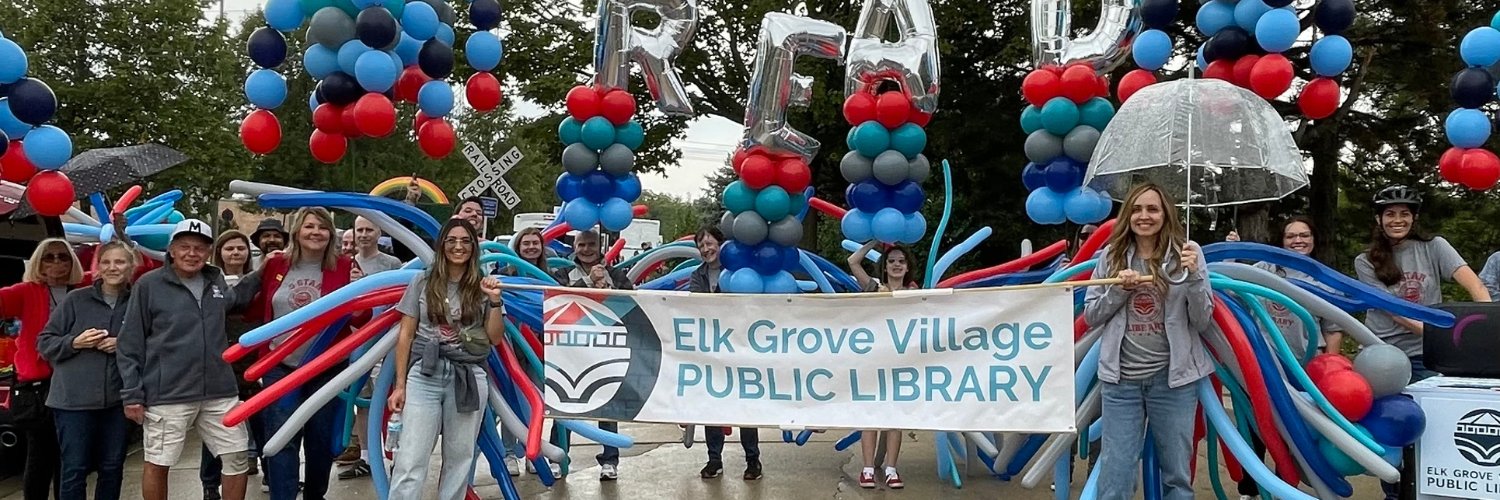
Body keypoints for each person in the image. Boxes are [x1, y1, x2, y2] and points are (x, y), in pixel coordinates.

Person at [1354, 186, 1493, 500]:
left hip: (1426, 356)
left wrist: (1486, 323)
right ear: (1379, 219)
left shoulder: (1435, 247)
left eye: (1404, 213)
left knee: (1433, 429)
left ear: (1414, 217)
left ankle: (1430, 493)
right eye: (1390, 214)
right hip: (1382, 355)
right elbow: (1394, 310)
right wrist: (1444, 338)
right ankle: (1394, 494)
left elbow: (1473, 283)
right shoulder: (1365, 261)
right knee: (1388, 430)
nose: (1397, 219)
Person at [1084, 183, 1212, 500]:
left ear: (1165, 213)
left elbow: (1202, 319)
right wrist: (1119, 289)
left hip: (1174, 382)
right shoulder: (1111, 256)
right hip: (1120, 382)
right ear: (1128, 215)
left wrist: (1194, 276)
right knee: (1116, 475)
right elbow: (1091, 316)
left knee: (1177, 477)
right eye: (1137, 209)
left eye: (1152, 209)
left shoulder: (1188, 254)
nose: (1144, 216)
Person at [118, 219, 255, 500]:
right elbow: (129, 341)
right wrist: (132, 394)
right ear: (171, 250)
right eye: (184, 247)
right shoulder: (149, 285)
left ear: (208, 252)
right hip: (168, 391)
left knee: (237, 457)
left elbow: (235, 299)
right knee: (159, 461)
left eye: (199, 248)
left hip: (219, 389)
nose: (192, 253)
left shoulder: (215, 280)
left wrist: (268, 268)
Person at [237, 207, 363, 500]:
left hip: (326, 366)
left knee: (319, 441)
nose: (315, 233)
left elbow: (358, 317)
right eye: (309, 226)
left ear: (331, 234)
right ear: (296, 231)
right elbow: (256, 309)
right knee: (282, 438)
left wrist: (359, 296)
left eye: (322, 227)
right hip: (280, 364)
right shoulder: (276, 264)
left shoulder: (344, 266)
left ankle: (315, 495)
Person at [386, 218, 507, 500]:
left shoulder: (483, 284)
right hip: (425, 375)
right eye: (452, 240)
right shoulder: (422, 281)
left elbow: (495, 337)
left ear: (474, 247)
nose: (458, 246)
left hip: (469, 375)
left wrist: (495, 301)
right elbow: (405, 335)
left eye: (465, 241)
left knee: (460, 459)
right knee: (410, 459)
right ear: (442, 245)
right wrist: (400, 384)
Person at [1233, 216, 1346, 500]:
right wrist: (1232, 254)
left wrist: (1330, 370)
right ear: (1280, 241)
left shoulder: (1323, 278)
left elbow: (1333, 328)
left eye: (1304, 235)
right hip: (1261, 363)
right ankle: (1250, 489)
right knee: (1253, 426)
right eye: (1291, 236)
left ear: (1314, 239)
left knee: (1294, 432)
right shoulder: (1264, 269)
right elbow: (1231, 289)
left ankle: (1285, 486)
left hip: (1303, 368)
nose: (1298, 240)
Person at [36, 240, 136, 500]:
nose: (112, 267)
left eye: (120, 262)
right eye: (106, 262)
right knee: (75, 469)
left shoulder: (138, 301)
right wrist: (74, 342)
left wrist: (122, 344)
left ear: (131, 267)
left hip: (117, 401)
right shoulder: (76, 300)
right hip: (73, 402)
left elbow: (156, 342)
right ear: (98, 267)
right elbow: (44, 342)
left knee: (112, 467)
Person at [0, 237, 83, 500]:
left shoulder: (83, 287)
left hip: (75, 384)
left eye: (63, 256)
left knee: (70, 458)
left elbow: (125, 269)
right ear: (38, 262)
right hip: (39, 388)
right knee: (40, 458)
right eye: (50, 256)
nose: (57, 262)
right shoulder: (26, 291)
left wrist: (121, 238)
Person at [689, 226, 763, 480]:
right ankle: (714, 460)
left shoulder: (742, 271)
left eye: (710, 243)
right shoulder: (697, 276)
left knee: (745, 405)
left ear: (722, 244)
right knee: (712, 403)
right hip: (712, 350)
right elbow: (695, 306)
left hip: (742, 347)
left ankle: (753, 461)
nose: (707, 249)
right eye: (702, 246)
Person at [846, 240, 921, 489]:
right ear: (885, 266)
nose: (897, 265)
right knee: (871, 414)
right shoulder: (873, 287)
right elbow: (853, 261)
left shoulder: (915, 293)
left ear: (908, 266)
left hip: (901, 363)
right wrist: (874, 242)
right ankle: (867, 469)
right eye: (891, 261)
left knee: (894, 417)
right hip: (873, 361)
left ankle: (891, 468)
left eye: (901, 261)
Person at [563, 229, 634, 480]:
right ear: (575, 247)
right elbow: (556, 296)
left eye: (591, 244)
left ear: (600, 246)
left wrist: (608, 286)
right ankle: (560, 456)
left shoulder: (615, 273)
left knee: (608, 403)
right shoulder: (563, 270)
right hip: (569, 349)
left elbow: (631, 300)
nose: (586, 249)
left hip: (607, 346)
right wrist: (587, 283)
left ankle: (610, 459)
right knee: (565, 404)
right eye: (581, 245)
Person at [338, 215, 403, 478]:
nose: (363, 235)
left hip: (384, 343)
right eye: (359, 230)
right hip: (354, 342)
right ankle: (365, 456)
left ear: (379, 233)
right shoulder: (344, 265)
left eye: (369, 230)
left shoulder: (392, 264)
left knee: (390, 402)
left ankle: (397, 456)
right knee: (361, 401)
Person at [203, 230, 265, 498]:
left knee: (263, 424)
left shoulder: (263, 282)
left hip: (254, 362)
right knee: (217, 429)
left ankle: (270, 474)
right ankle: (209, 484)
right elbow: (230, 302)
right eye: (229, 248)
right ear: (220, 252)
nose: (236, 253)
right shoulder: (209, 282)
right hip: (221, 362)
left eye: (241, 248)